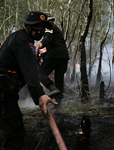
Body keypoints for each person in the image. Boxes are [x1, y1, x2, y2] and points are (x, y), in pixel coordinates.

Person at [0, 10, 58, 150]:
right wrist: (39, 96)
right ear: (29, 26)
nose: (41, 30)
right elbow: (30, 71)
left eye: (43, 27)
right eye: (38, 26)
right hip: (3, 92)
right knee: (15, 134)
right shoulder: (24, 42)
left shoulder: (16, 37)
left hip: (4, 90)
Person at [36, 12, 69, 107]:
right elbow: (57, 44)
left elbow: (48, 39)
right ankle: (58, 104)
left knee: (40, 74)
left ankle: (53, 89)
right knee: (59, 80)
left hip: (55, 55)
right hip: (63, 56)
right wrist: (43, 54)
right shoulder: (56, 29)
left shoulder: (49, 27)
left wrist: (40, 45)